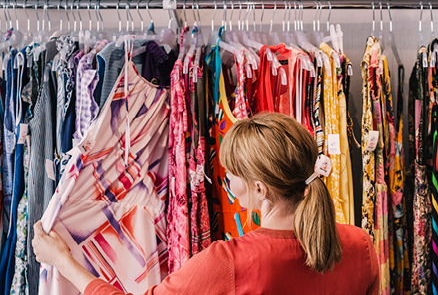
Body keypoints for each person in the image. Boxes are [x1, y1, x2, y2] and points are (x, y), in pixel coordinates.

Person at [33, 112, 379, 295]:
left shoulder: (229, 263)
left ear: (260, 189)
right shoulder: (359, 245)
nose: (227, 183)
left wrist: (63, 261)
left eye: (232, 174)